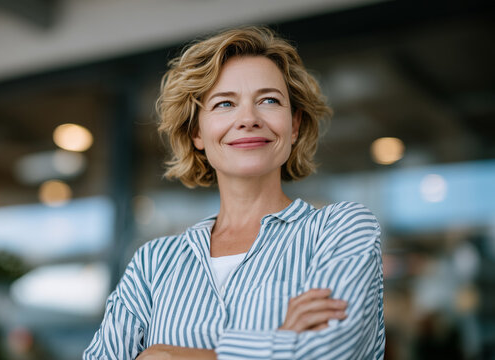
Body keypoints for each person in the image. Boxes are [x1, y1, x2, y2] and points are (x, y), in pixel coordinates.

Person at [84, 26, 384, 359]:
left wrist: (169, 355)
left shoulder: (340, 229)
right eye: (225, 103)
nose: (248, 119)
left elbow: (328, 352)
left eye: (269, 100)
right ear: (197, 132)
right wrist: (282, 340)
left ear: (295, 125)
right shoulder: (154, 264)